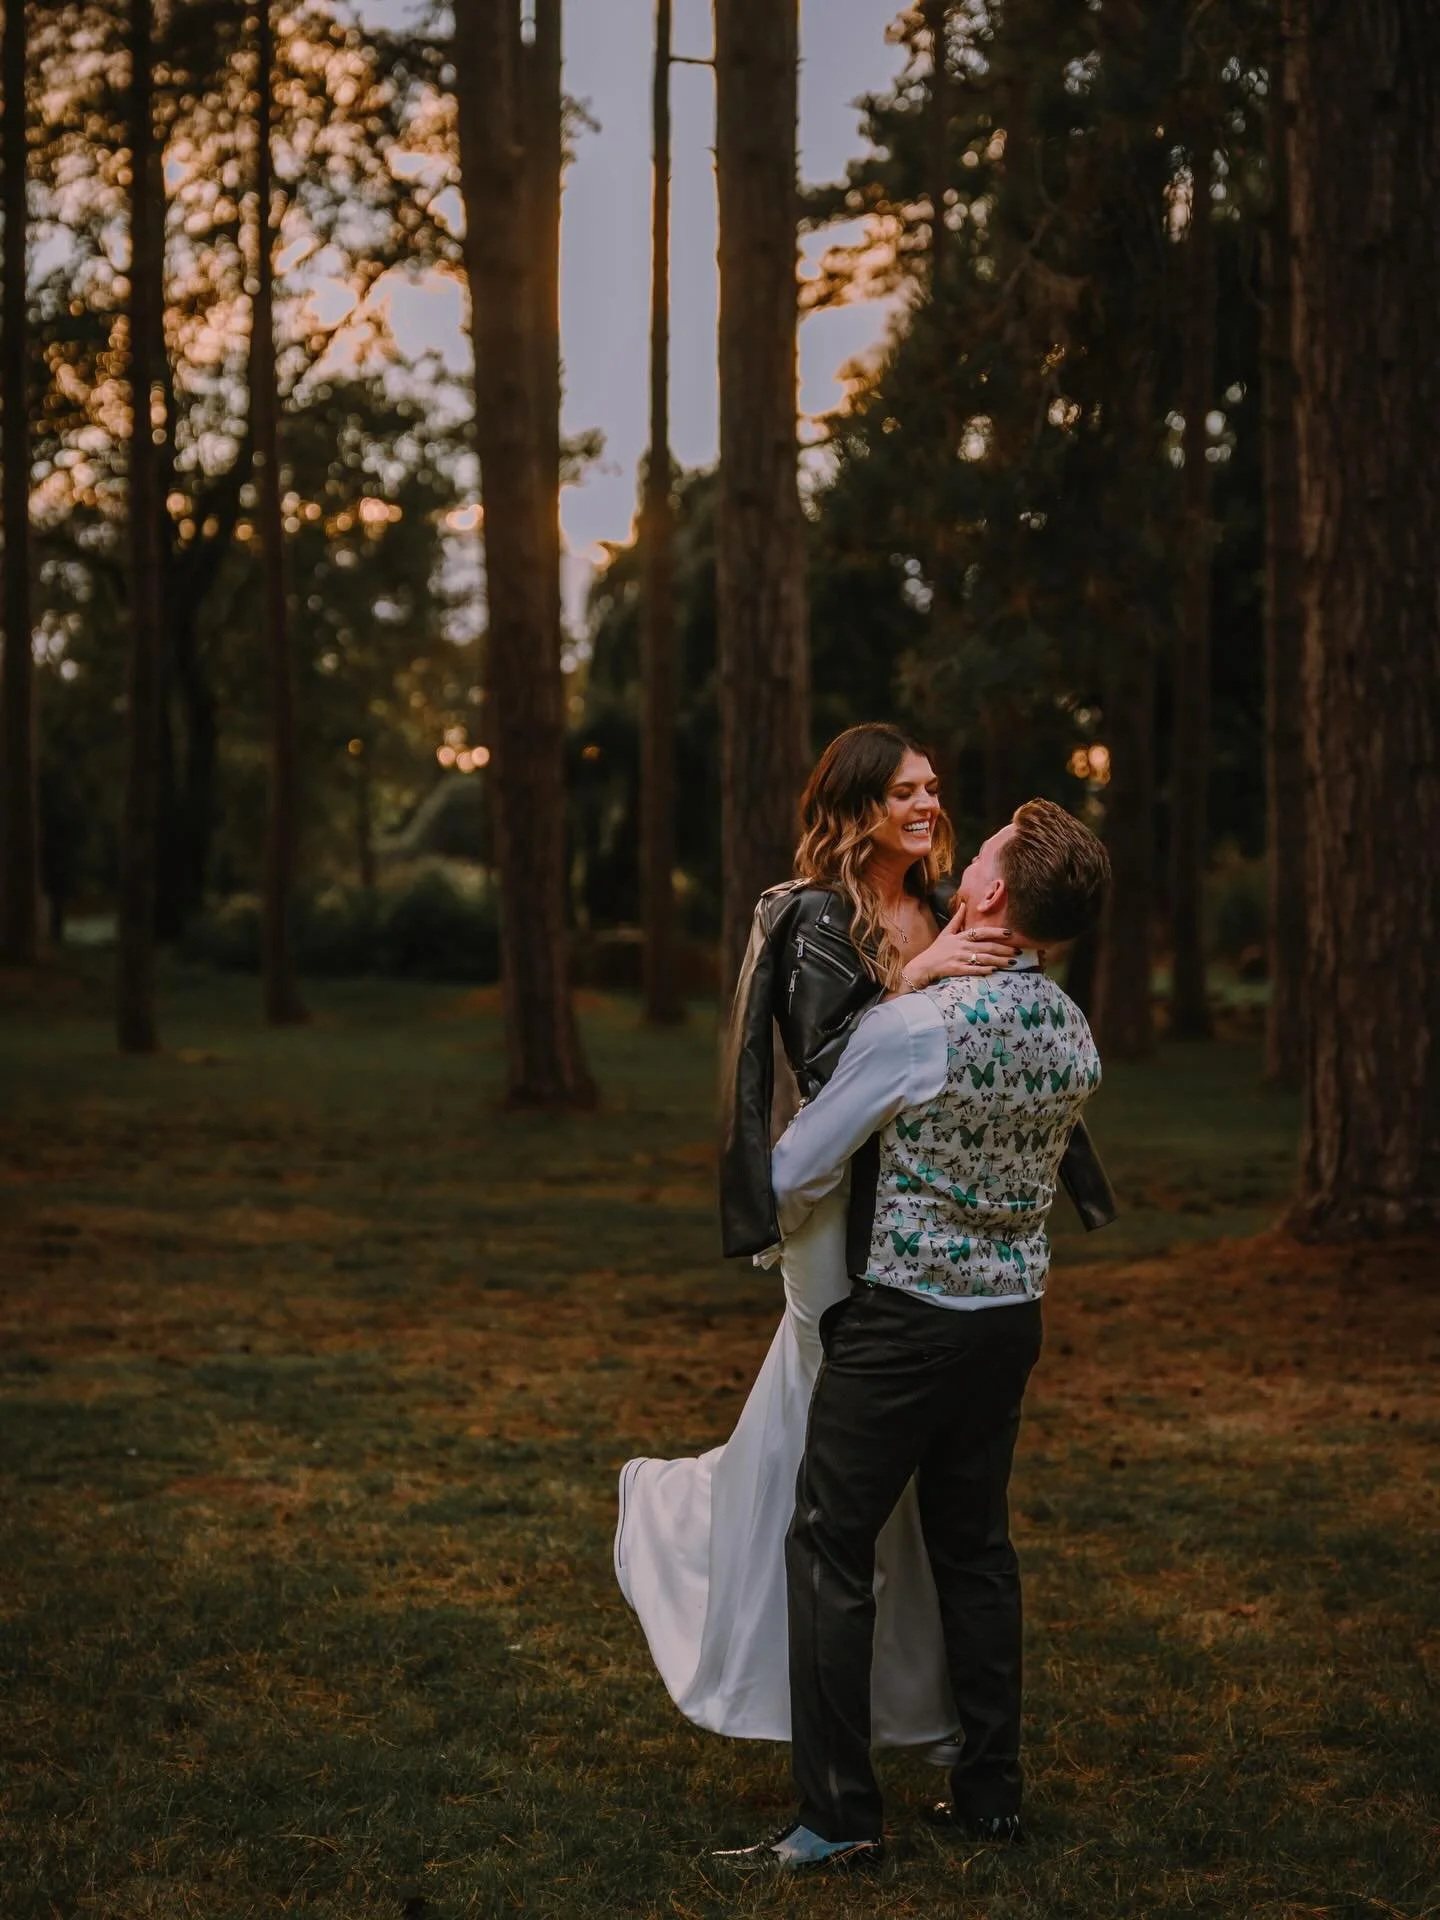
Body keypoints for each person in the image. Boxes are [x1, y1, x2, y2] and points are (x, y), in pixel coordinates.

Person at [714, 797, 1110, 1874]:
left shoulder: (917, 1030)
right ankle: (989, 1795)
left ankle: (838, 1817)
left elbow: (796, 1166)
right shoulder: (1070, 1033)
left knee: (832, 1543)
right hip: (1010, 1319)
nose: (962, 852)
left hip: (903, 1321)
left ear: (987, 896)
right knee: (976, 1549)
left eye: (978, 855)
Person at [615, 727, 1018, 1750]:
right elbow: (830, 1064)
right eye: (902, 793)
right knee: (829, 1448)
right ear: (854, 808)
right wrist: (920, 974)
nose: (926, 806)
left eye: (932, 788)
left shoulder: (935, 907)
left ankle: (904, 1699)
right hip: (833, 1209)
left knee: (865, 1449)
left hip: (920, 1208)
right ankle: (749, 1624)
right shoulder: (813, 917)